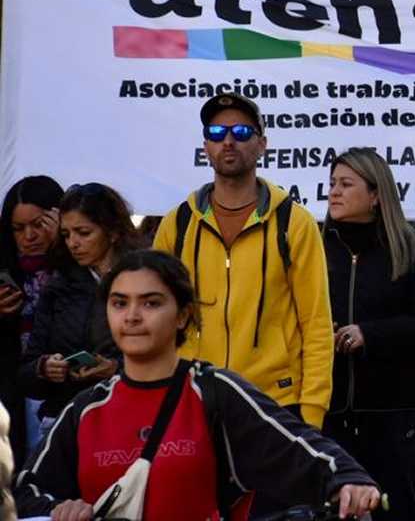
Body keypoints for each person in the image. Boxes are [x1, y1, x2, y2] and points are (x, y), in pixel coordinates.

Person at [15, 250, 380, 521]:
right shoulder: (86, 409)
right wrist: (59, 508)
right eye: (119, 303)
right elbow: (25, 490)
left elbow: (297, 445)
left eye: (151, 302)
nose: (132, 316)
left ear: (183, 315)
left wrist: (347, 480)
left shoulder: (214, 391)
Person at [152, 93, 334, 429]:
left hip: (275, 403)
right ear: (205, 146)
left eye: (242, 132)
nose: (229, 142)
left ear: (263, 144)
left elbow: (316, 324)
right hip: (193, 398)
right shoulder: (177, 223)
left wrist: (311, 412)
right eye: (217, 134)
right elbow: (157, 318)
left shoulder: (294, 222)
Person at [321, 147, 415, 521]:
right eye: (331, 184)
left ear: (376, 195)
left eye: (346, 184)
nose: (334, 192)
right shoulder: (314, 246)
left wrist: (370, 334)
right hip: (328, 410)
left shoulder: (411, 249)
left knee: (395, 512)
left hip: (395, 411)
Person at [18, 183, 136, 437]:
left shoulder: (144, 281)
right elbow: (27, 370)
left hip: (127, 419)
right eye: (66, 234)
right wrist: (44, 367)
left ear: (113, 232)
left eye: (83, 232)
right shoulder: (58, 287)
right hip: (64, 420)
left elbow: (168, 358)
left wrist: (116, 369)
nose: (73, 243)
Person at [0, 175, 64, 466]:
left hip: (61, 393)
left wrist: (61, 251)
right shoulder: (6, 272)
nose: (29, 236)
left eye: (39, 225)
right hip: (13, 396)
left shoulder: (77, 270)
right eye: (18, 228)